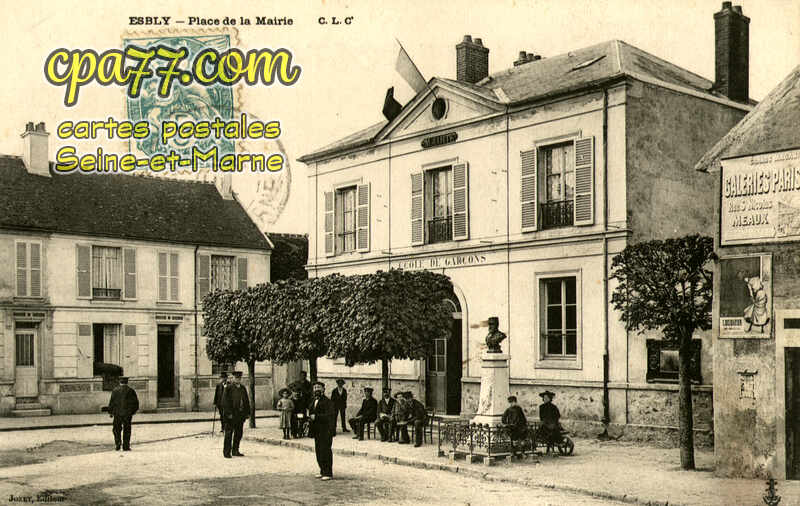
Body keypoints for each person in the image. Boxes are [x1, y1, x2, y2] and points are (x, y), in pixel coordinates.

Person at [308, 381, 336, 481]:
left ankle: (328, 472)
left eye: (319, 388)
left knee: (325, 451)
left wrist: (316, 417)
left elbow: (330, 416)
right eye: (315, 388)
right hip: (316, 430)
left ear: (323, 389)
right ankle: (322, 470)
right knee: (318, 451)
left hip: (325, 430)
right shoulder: (313, 401)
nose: (317, 390)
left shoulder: (328, 402)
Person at [221, 371, 250, 458]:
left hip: (240, 415)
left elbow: (246, 401)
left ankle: (235, 450)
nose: (238, 379)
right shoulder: (229, 388)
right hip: (231, 415)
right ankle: (226, 452)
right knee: (229, 433)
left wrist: (247, 412)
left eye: (239, 378)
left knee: (239, 433)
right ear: (233, 378)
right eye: (236, 378)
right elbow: (224, 402)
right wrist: (228, 413)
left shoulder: (243, 388)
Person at [107, 376, 139, 451]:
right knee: (127, 429)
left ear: (119, 382)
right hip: (127, 414)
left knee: (116, 429)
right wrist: (132, 412)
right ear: (127, 382)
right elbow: (136, 403)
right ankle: (126, 446)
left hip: (117, 414)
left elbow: (112, 402)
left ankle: (118, 444)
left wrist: (111, 412)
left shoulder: (115, 390)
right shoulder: (131, 390)